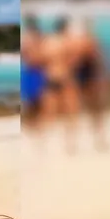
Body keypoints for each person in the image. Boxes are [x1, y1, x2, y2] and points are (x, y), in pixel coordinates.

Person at [65, 15, 109, 152]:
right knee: (91, 109)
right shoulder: (89, 40)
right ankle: (80, 142)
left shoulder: (77, 41)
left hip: (84, 73)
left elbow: (97, 60)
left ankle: (76, 143)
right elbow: (98, 60)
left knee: (86, 110)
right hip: (84, 73)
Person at [39, 15, 82, 154]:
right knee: (70, 112)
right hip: (65, 77)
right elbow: (76, 59)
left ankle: (43, 144)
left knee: (49, 113)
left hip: (50, 77)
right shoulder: (67, 41)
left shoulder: (48, 41)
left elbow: (41, 60)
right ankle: (70, 145)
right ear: (65, 27)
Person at [20, 13, 46, 132]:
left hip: (35, 69)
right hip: (32, 69)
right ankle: (32, 122)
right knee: (32, 99)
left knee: (37, 98)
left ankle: (35, 122)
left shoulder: (32, 38)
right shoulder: (33, 38)